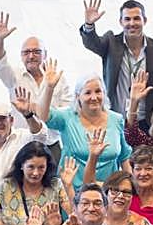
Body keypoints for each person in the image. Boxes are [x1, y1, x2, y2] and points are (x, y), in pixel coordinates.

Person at [37, 60, 132, 190]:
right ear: (78, 96)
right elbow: (43, 116)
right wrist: (49, 87)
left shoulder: (117, 119)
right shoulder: (67, 118)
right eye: (87, 93)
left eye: (98, 91)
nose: (94, 97)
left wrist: (133, 190)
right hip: (73, 192)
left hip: (110, 193)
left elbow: (124, 156)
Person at [79, 0, 153, 131]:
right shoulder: (111, 42)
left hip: (148, 122)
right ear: (120, 21)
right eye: (127, 19)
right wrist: (88, 25)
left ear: (145, 20)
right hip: (116, 120)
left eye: (136, 18)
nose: (132, 23)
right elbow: (92, 44)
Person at [0, 12, 71, 143]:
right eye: (26, 52)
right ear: (21, 56)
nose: (31, 56)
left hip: (52, 142)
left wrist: (40, 109)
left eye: (37, 52)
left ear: (45, 54)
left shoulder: (58, 79)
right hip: (23, 142)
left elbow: (66, 113)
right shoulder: (14, 76)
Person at [0, 96, 53, 194]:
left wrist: (28, 115)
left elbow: (41, 136)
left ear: (11, 121)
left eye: (2, 118)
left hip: (17, 205)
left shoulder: (23, 137)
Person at [0, 141, 71, 225]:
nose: (36, 173)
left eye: (41, 167)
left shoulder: (56, 185)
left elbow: (74, 213)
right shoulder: (5, 186)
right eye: (31, 167)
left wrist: (68, 186)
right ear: (21, 165)